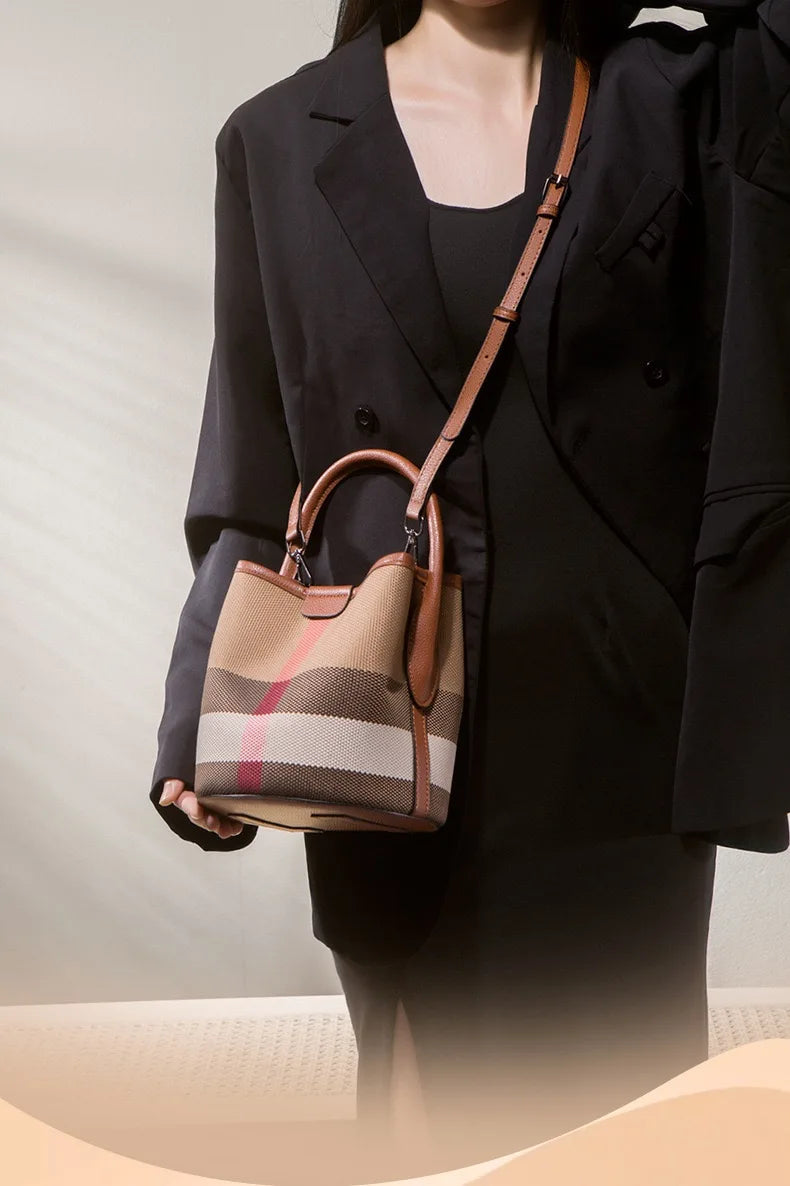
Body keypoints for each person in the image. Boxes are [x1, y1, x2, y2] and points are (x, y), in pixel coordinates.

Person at [150, 0, 790, 1176]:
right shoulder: (276, 139)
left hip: (620, 737)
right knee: (429, 1135)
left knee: (632, 1136)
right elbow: (248, 471)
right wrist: (199, 704)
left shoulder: (670, 97)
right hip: (380, 734)